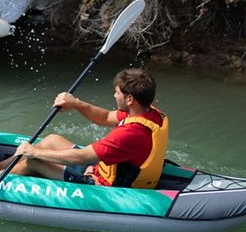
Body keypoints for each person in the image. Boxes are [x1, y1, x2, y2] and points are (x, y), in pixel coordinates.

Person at [9, 68, 168, 189]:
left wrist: (34, 152)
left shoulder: (130, 133)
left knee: (33, 162)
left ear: (130, 99)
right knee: (52, 140)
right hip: (105, 168)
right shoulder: (151, 114)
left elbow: (82, 157)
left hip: (103, 185)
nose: (114, 96)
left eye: (117, 93)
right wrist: (76, 104)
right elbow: (106, 117)